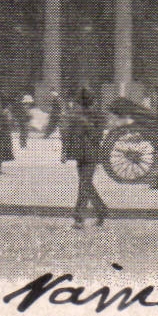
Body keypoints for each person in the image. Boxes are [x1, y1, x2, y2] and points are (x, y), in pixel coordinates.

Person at [62, 87, 108, 228]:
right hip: (89, 154)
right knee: (85, 184)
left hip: (83, 154)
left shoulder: (85, 116)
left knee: (84, 184)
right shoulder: (92, 116)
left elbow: (66, 136)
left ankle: (79, 218)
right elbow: (67, 134)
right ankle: (101, 210)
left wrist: (64, 152)